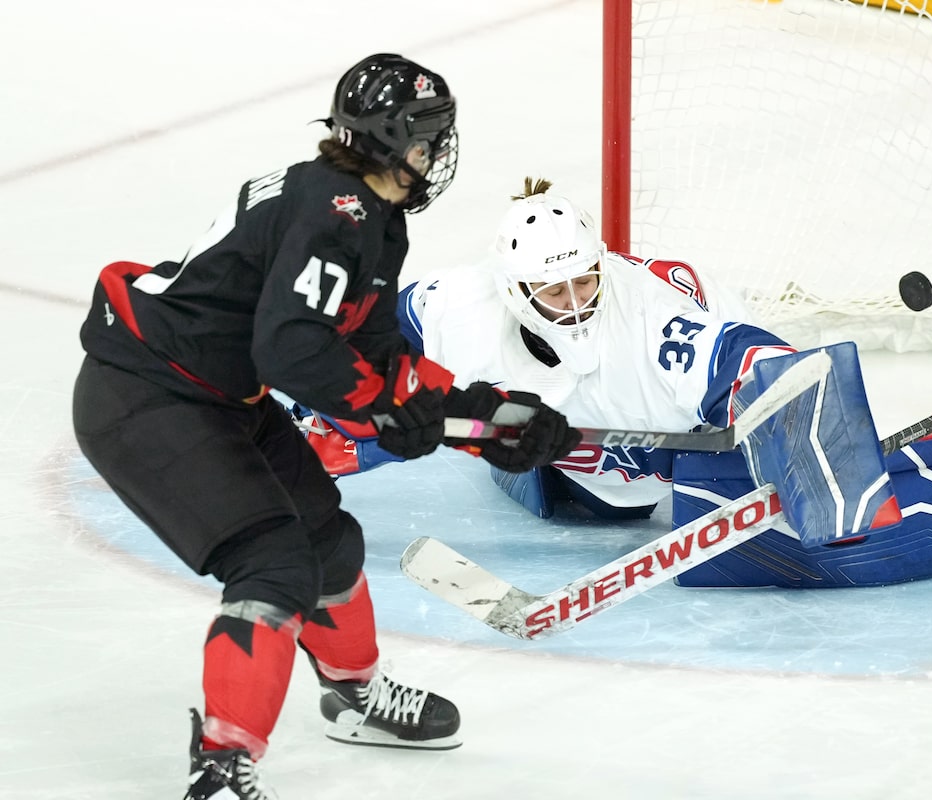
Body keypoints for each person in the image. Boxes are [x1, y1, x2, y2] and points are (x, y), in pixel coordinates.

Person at [72, 58, 579, 799]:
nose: (436, 153)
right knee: (273, 564)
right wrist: (382, 413)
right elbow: (294, 348)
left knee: (325, 541)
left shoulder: (365, 213)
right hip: (146, 398)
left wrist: (489, 419)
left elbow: (371, 354)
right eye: (426, 138)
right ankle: (219, 770)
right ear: (390, 139)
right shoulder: (335, 213)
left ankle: (352, 695)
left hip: (218, 395)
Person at [298, 177, 932, 596]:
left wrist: (793, 420)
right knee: (397, 423)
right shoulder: (467, 307)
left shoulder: (647, 318)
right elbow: (381, 333)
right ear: (515, 292)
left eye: (586, 283)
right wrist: (318, 411)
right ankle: (287, 457)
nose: (576, 302)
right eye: (556, 292)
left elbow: (744, 357)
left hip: (675, 443)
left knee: (780, 538)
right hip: (551, 464)